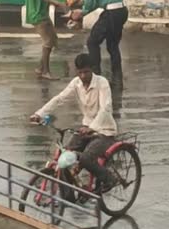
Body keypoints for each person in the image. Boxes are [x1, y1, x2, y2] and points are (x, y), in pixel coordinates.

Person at [30, 53, 119, 193]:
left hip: (104, 131)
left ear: (92, 69)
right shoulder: (76, 83)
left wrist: (92, 127)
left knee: (85, 159)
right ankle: (68, 195)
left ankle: (109, 178)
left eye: (86, 72)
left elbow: (105, 108)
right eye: (80, 72)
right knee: (65, 156)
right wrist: (39, 113)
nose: (83, 76)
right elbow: (59, 99)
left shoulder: (102, 83)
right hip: (85, 129)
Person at [68, 0, 128, 89]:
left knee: (92, 42)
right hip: (121, 11)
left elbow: (90, 3)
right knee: (113, 46)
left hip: (111, 12)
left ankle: (95, 76)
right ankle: (117, 79)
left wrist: (82, 12)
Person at [26, 0, 66, 80]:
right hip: (39, 16)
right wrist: (56, 3)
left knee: (52, 39)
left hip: (41, 15)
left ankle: (40, 68)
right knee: (48, 41)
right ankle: (45, 72)